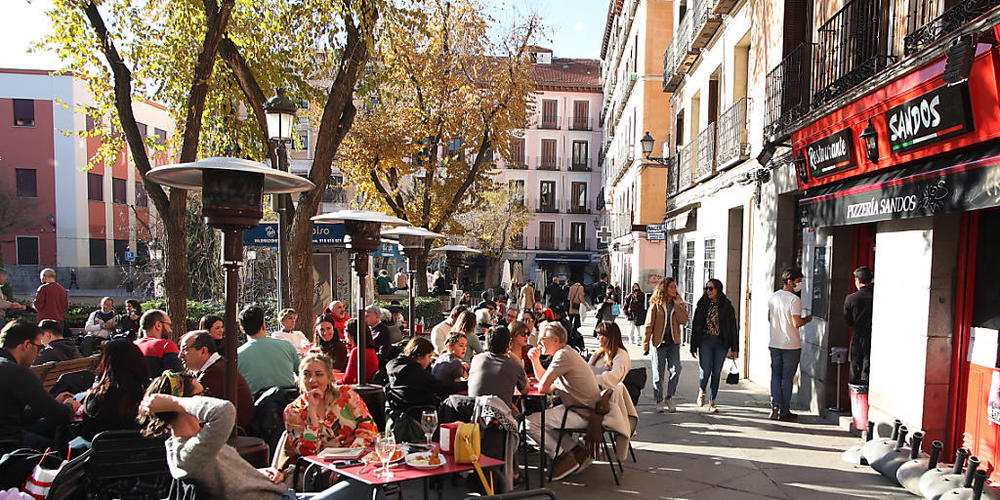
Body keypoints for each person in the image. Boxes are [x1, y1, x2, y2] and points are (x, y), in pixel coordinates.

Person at [138, 372, 379, 500]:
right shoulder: (190, 452)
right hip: (284, 495)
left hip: (281, 491)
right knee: (371, 488)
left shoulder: (195, 443)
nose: (204, 398)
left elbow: (226, 478)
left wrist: (256, 473)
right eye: (200, 394)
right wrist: (175, 401)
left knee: (371, 483)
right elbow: (224, 411)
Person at [525, 321, 601, 480]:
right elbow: (548, 385)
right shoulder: (567, 353)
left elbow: (543, 387)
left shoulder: (563, 356)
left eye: (543, 339)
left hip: (583, 412)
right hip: (585, 409)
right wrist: (535, 360)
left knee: (529, 424)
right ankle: (577, 452)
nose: (539, 343)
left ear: (555, 340)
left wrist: (536, 362)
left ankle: (562, 457)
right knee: (543, 422)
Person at [0, 320, 79, 455]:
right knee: (65, 450)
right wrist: (70, 406)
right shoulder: (17, 372)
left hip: (8, 434)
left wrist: (53, 402)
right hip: (9, 447)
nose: (39, 354)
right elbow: (58, 416)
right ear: (26, 345)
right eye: (39, 348)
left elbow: (15, 415)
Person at [283, 352, 378, 458]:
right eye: (306, 374)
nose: (312, 380)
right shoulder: (293, 411)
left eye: (319, 374)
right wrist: (312, 413)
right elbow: (306, 452)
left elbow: (369, 428)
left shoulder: (346, 394)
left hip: (357, 458)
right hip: (320, 467)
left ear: (329, 377)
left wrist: (351, 454)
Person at [179, 330, 255, 430]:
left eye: (185, 349)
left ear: (203, 351)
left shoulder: (214, 373)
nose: (180, 355)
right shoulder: (217, 367)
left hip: (235, 435)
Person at [77, 339, 150, 441]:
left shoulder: (97, 398)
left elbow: (87, 435)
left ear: (105, 363)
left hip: (104, 455)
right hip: (146, 454)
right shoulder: (151, 395)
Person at [767, 268, 813, 421]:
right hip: (790, 345)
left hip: (775, 342)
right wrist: (807, 319)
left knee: (775, 375)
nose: (800, 284)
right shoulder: (794, 300)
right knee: (787, 378)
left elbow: (769, 318)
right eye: (798, 281)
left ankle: (774, 405)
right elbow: (796, 322)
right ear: (790, 281)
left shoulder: (774, 297)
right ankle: (784, 410)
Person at [386, 337, 465, 419]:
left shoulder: (394, 367)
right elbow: (441, 388)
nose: (430, 361)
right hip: (422, 415)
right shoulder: (416, 372)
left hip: (401, 414)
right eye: (429, 356)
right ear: (419, 356)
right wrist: (465, 384)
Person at [691, 279, 739, 413]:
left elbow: (733, 327)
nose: (708, 291)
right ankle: (702, 389)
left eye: (711, 288)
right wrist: (693, 345)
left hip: (721, 342)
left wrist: (735, 348)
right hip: (705, 340)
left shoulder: (726, 305)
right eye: (706, 288)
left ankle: (712, 401)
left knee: (716, 372)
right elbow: (695, 325)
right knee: (705, 369)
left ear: (718, 289)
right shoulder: (702, 304)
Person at [643, 278, 688, 413]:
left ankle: (669, 397)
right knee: (659, 374)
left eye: (675, 287)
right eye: (672, 287)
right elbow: (649, 325)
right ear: (665, 289)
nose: (675, 290)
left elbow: (683, 320)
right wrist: (645, 345)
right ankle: (658, 400)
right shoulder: (656, 304)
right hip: (659, 343)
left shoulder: (677, 303)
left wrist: (679, 305)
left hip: (673, 342)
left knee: (676, 369)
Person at [237, 305, 300, 395]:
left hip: (256, 406)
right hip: (288, 403)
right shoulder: (287, 346)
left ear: (242, 329)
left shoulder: (237, 356)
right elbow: (302, 372)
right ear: (264, 324)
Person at [469, 325, 527, 410]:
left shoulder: (476, 359)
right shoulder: (513, 365)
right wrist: (516, 359)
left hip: (475, 414)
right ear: (509, 344)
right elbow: (525, 390)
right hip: (498, 417)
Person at [845, 266, 874, 386]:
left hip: (858, 337)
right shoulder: (877, 297)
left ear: (858, 280)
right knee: (868, 368)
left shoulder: (851, 298)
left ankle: (857, 399)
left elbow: (848, 321)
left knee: (856, 368)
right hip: (872, 337)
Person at [135, 309, 183, 376]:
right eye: (169, 325)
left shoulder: (133, 346)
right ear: (158, 325)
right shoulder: (166, 345)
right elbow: (177, 378)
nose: (170, 330)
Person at [590, 321, 630, 390]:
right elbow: (588, 368)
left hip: (606, 395)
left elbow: (614, 378)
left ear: (609, 337)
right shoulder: (598, 353)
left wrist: (593, 379)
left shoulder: (621, 355)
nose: (597, 338)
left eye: (600, 335)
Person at [339, 319, 379, 385]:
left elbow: (347, 380)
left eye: (345, 330)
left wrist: (334, 382)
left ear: (351, 333)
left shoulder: (357, 351)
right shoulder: (371, 350)